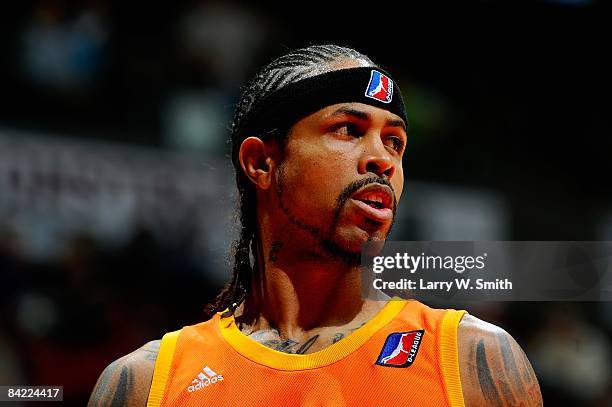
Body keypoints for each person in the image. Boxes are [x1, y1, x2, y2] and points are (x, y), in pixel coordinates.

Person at [88, 44, 543, 406]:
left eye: (395, 142)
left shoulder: (470, 359)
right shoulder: (147, 383)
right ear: (262, 162)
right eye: (348, 129)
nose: (382, 159)